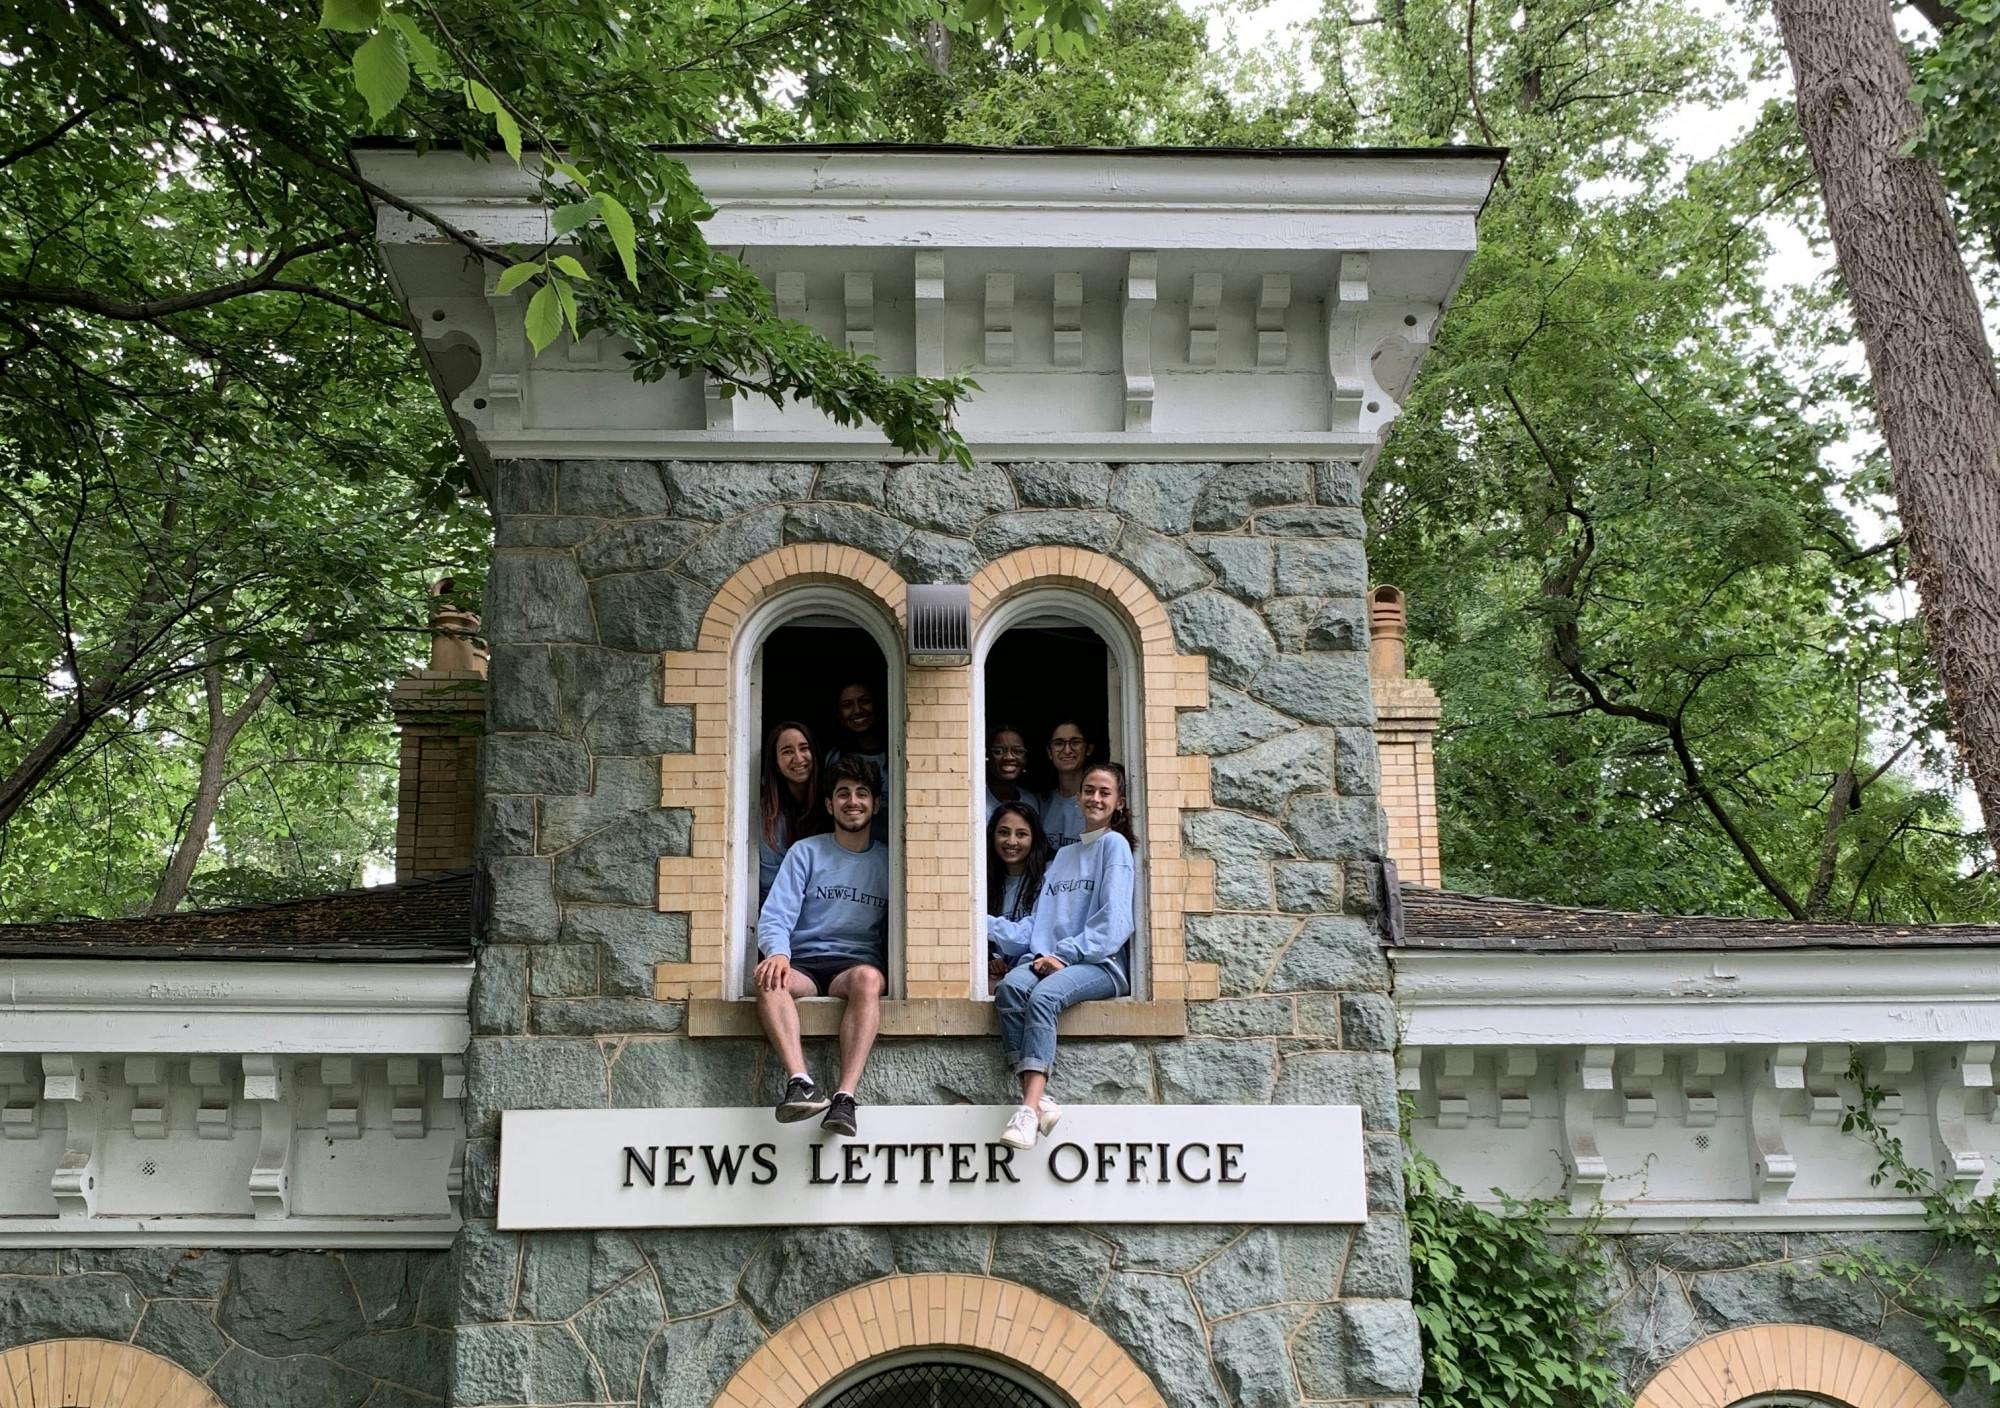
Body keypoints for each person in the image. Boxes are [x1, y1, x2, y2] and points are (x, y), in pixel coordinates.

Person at [987, 762, 1136, 1150]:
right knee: (1010, 989)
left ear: (1119, 803)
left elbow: (1114, 922)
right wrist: (975, 921)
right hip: (1051, 960)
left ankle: (1026, 1111)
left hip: (1099, 964)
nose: (1095, 798)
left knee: (1045, 996)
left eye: (1105, 792)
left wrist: (1067, 956)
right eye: (1089, 790)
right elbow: (1037, 927)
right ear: (1078, 797)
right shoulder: (1062, 859)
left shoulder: (1114, 846)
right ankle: (1038, 1102)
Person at [753, 757, 889, 1137]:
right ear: (829, 804)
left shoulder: (888, 861)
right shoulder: (806, 852)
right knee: (768, 979)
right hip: (806, 965)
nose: (853, 801)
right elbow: (776, 914)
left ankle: (845, 1099)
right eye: (843, 794)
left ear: (875, 804)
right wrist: (777, 952)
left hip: (854, 967)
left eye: (862, 794)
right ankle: (801, 1082)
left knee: (867, 980)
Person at [756, 721, 826, 902]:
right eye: (787, 751)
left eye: (804, 748)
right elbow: (769, 885)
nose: (798, 758)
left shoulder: (832, 803)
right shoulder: (770, 814)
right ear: (776, 763)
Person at [986, 801, 1051, 983]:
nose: (1011, 841)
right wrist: (992, 959)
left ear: (1034, 838)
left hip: (1035, 977)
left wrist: (976, 920)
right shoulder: (984, 880)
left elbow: (1026, 938)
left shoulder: (1049, 876)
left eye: (1021, 834)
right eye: (1003, 832)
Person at [826, 680, 890, 842]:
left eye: (865, 701)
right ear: (840, 716)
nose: (857, 710)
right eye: (847, 705)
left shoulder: (899, 754)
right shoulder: (835, 758)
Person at [1037, 719, 1092, 849]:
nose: (1067, 750)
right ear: (1050, 752)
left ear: (1089, 749)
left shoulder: (1096, 803)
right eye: (1058, 743)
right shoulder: (1040, 803)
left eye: (1076, 742)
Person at [984, 723, 1036, 820]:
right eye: (998, 751)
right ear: (988, 756)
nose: (1009, 757)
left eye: (1018, 751)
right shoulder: (977, 799)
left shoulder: (1030, 802)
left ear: (1026, 759)